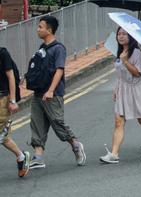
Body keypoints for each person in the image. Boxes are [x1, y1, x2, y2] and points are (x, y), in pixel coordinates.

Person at [26, 16, 86, 169]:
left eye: (40, 27)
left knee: (57, 122)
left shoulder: (58, 48)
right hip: (39, 93)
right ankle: (38, 157)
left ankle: (75, 144)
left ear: (49, 30)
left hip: (52, 94)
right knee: (37, 124)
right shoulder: (42, 48)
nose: (38, 29)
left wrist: (51, 90)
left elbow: (59, 70)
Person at [100, 28, 141, 163]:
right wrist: (117, 88)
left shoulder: (137, 53)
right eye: (119, 34)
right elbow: (121, 74)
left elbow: (138, 73)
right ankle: (114, 154)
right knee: (119, 121)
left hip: (136, 90)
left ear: (131, 37)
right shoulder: (120, 51)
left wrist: (126, 61)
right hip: (123, 90)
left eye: (124, 34)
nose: (120, 37)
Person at [1, 45, 31, 177]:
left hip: (2, 98)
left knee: (1, 135)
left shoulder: (2, 53)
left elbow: (11, 77)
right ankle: (21, 156)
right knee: (3, 136)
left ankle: (21, 156)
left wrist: (12, 101)